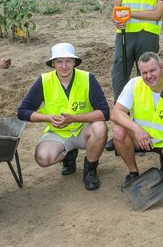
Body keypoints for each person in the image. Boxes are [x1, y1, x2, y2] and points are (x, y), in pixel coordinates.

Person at [17, 43, 109, 190]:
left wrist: (74, 119)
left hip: (83, 130)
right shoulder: (44, 81)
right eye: (59, 61)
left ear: (74, 62)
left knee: (100, 127)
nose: (64, 66)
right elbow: (22, 112)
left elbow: (104, 113)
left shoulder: (88, 78)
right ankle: (68, 156)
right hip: (58, 132)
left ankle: (90, 169)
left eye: (68, 61)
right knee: (43, 158)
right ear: (53, 63)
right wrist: (47, 118)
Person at [111, 52, 163, 186]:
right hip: (140, 138)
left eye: (152, 70)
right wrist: (136, 129)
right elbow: (116, 113)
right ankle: (133, 172)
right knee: (118, 130)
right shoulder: (134, 84)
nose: (149, 76)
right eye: (144, 73)